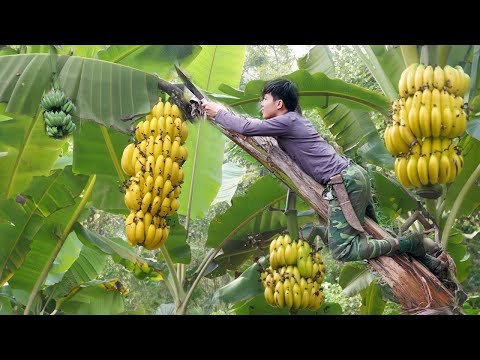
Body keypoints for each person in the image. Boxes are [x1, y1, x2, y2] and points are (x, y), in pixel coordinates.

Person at [202, 78, 446, 275]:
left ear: (279, 103)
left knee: (342, 250)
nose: (260, 105)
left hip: (344, 181)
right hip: (353, 175)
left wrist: (217, 112)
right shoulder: (293, 121)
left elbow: (246, 127)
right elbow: (254, 124)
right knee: (375, 233)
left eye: (264, 99)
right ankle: (431, 263)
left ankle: (411, 242)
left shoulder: (287, 121)